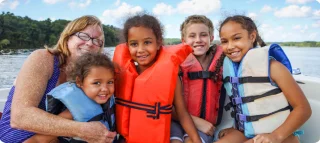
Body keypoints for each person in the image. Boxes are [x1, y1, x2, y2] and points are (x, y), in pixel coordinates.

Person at [0, 15, 116, 143]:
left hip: (58, 136)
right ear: (67, 37)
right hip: (18, 135)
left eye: (96, 40)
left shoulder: (90, 76)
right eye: (83, 36)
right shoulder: (44, 58)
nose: (89, 43)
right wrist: (82, 130)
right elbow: (20, 117)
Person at [216, 15, 311, 143]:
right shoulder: (234, 71)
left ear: (252, 36)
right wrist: (235, 127)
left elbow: (303, 109)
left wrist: (275, 136)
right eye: (224, 41)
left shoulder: (274, 67)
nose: (230, 46)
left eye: (237, 38)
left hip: (282, 136)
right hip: (248, 133)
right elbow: (246, 106)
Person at [113, 13, 202, 143]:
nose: (141, 49)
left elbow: (182, 114)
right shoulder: (118, 75)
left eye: (147, 42)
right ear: (127, 46)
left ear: (158, 43)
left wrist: (196, 140)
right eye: (134, 44)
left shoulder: (171, 77)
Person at [27, 52, 117, 143]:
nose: (105, 89)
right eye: (96, 83)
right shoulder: (71, 112)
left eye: (110, 82)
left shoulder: (112, 104)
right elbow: (38, 140)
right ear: (79, 82)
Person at [170, 15, 225, 143]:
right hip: (176, 121)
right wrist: (196, 122)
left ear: (211, 38)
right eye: (192, 36)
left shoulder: (222, 62)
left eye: (203, 35)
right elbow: (164, 105)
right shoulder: (175, 64)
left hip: (206, 126)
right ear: (183, 40)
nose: (198, 40)